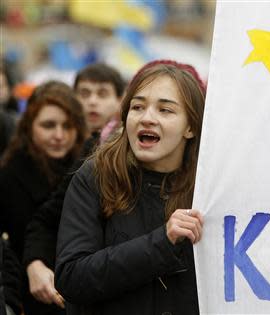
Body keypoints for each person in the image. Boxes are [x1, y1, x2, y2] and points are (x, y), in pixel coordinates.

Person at [55, 60, 206, 315]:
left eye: (165, 110)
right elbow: (71, 277)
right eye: (137, 107)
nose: (147, 118)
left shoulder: (208, 187)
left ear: (190, 127)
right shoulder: (95, 177)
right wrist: (163, 242)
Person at [22, 63, 125, 312]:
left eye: (102, 94)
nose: (91, 102)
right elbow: (47, 218)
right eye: (84, 93)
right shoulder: (83, 154)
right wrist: (34, 263)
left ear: (121, 100)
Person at [0, 81, 87, 315]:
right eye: (49, 125)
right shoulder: (9, 176)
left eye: (67, 126)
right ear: (29, 126)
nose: (59, 135)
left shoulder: (90, 168)